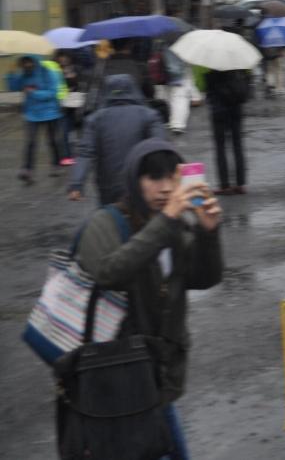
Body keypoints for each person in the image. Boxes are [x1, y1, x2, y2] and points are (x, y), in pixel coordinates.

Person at [75, 138, 223, 458]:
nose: (166, 188)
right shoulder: (105, 223)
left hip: (157, 379)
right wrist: (166, 222)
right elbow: (108, 272)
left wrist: (208, 233)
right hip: (118, 379)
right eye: (154, 178)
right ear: (134, 180)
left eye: (172, 177)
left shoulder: (175, 225)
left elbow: (204, 278)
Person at [67, 74, 167, 204]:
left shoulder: (95, 119)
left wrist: (76, 184)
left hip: (109, 186)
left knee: (113, 215)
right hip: (142, 183)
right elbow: (160, 148)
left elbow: (85, 153)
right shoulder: (149, 115)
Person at [7, 55, 70, 183]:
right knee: (30, 142)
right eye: (24, 62)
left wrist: (34, 93)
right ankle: (27, 170)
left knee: (52, 141)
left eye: (29, 62)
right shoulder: (24, 74)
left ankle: (56, 165)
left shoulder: (48, 73)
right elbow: (14, 87)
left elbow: (52, 92)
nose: (27, 65)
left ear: (35, 61)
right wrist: (11, 74)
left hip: (50, 113)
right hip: (32, 114)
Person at [195, 65, 250, 195]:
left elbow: (202, 87)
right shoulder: (237, 63)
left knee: (220, 147)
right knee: (237, 144)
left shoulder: (209, 66)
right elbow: (247, 77)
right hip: (236, 108)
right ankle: (240, 184)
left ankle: (225, 185)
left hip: (218, 109)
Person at [162, 45, 194, 135]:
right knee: (181, 98)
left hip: (164, 73)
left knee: (169, 97)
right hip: (180, 74)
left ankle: (172, 120)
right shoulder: (184, 42)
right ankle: (177, 124)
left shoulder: (161, 41)